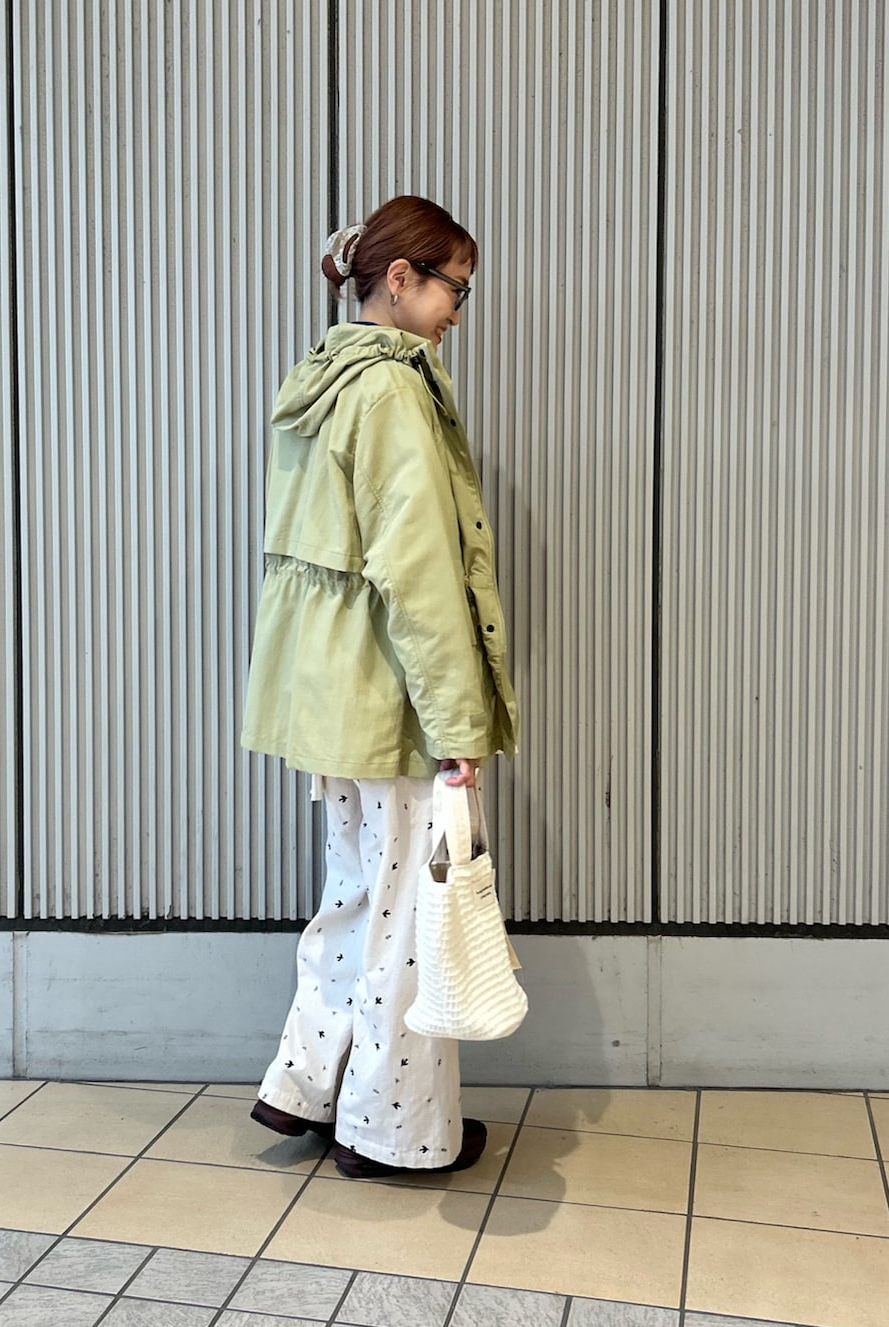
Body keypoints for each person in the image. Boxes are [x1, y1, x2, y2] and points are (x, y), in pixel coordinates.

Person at [240, 194, 518, 1178]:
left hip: (328, 696)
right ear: (398, 278)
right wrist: (457, 721)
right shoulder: (394, 392)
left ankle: (308, 1086)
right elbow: (418, 574)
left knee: (357, 896)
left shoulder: (321, 378)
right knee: (409, 917)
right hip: (391, 694)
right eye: (454, 289)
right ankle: (393, 1132)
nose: (457, 312)